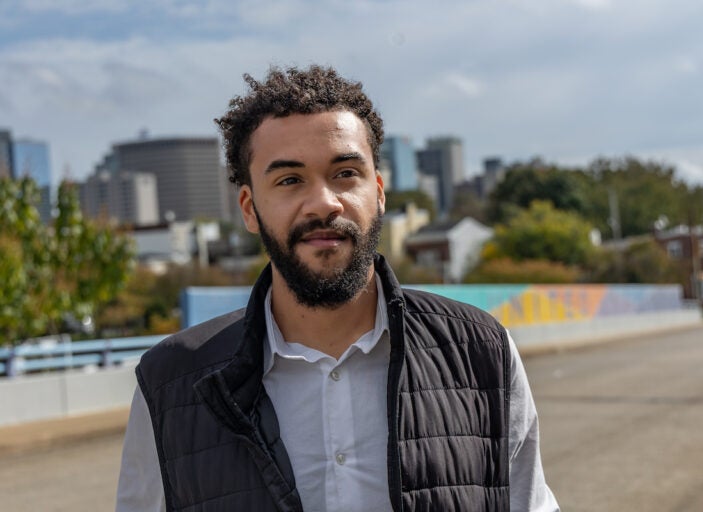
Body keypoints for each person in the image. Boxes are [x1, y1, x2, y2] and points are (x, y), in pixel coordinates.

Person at [116, 65, 559, 512]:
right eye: (289, 180)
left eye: (345, 173)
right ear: (249, 209)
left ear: (380, 192)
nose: (325, 202)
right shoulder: (170, 383)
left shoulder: (482, 350)